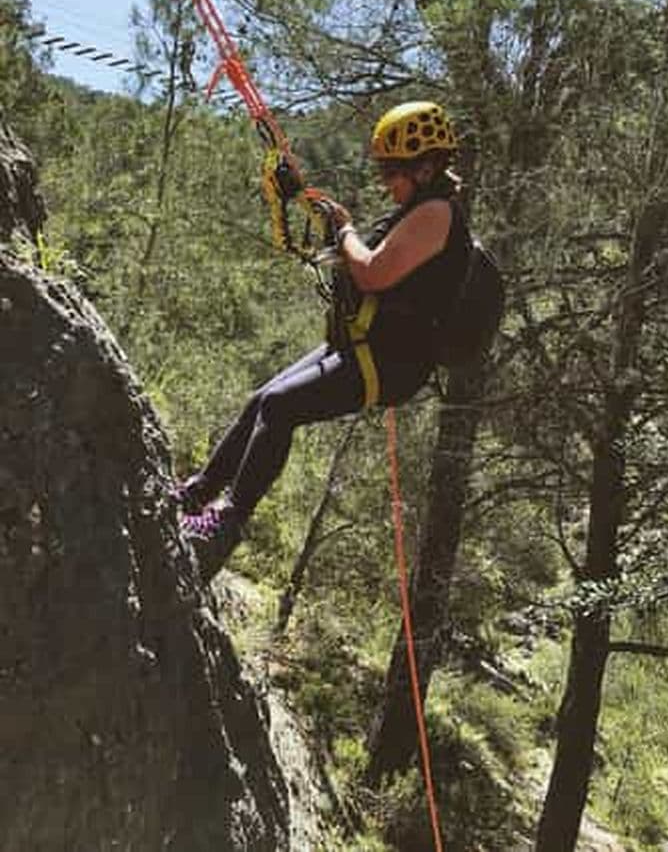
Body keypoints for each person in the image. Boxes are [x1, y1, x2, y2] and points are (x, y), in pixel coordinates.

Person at [177, 101, 471, 580]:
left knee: (280, 408)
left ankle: (225, 526)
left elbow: (373, 272)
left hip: (389, 364)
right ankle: (195, 495)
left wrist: (345, 226)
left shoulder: (437, 213)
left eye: (392, 171)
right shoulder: (416, 209)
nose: (385, 182)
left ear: (425, 168)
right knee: (261, 401)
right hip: (365, 345)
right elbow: (359, 255)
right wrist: (307, 202)